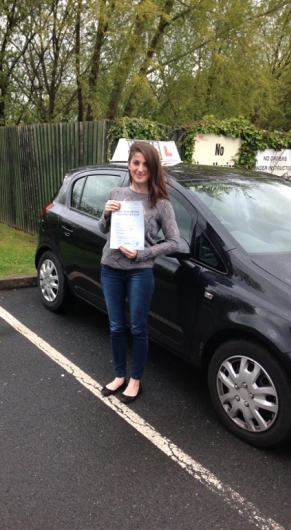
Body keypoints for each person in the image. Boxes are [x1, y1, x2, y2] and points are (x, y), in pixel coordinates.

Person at [98, 141, 180, 404]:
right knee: (115, 326)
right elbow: (103, 229)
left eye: (145, 164)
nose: (140, 168)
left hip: (139, 272)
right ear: (129, 164)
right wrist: (105, 213)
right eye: (136, 163)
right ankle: (119, 376)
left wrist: (143, 253)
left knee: (137, 327)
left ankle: (135, 380)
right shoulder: (116, 193)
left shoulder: (161, 203)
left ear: (152, 167)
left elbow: (174, 241)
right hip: (110, 269)